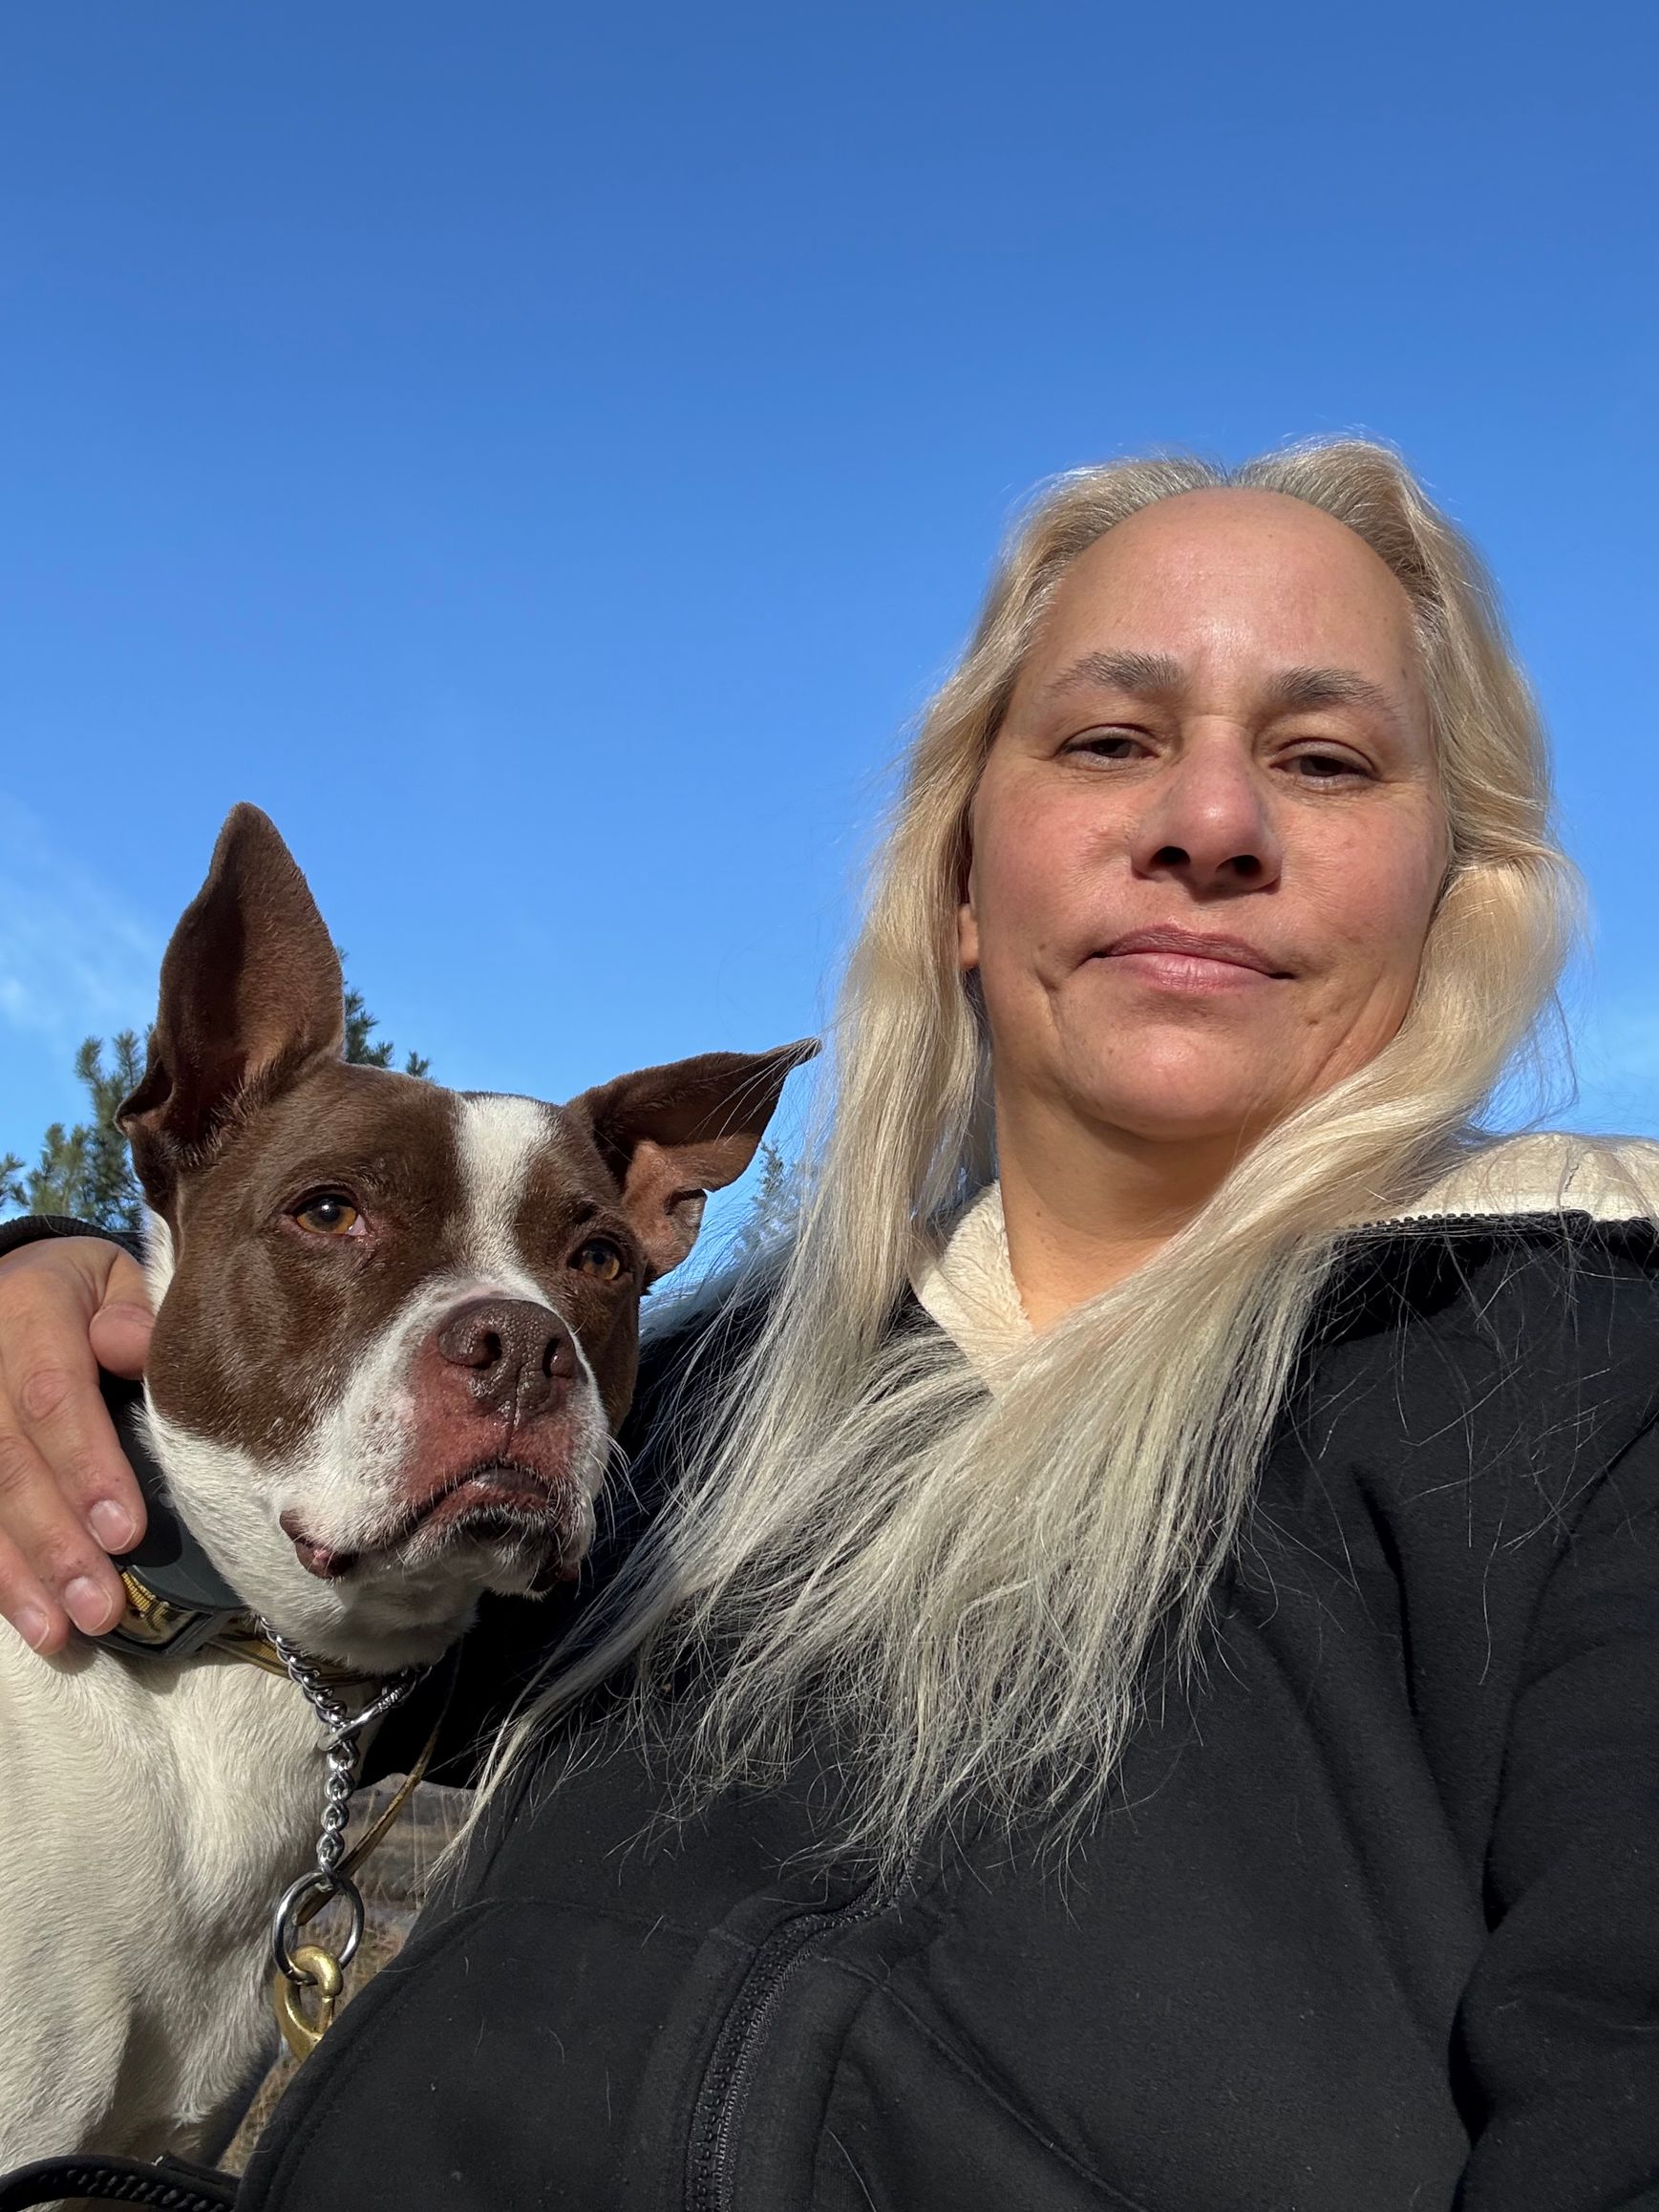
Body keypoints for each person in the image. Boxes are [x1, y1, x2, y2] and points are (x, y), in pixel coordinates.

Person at [2, 439, 1658, 2212]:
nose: (1208, 823)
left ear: (1452, 885)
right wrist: (45, 1266)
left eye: (1321, 760)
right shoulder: (703, 1408)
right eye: (1109, 739)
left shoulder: (1589, 1374)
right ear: (958, 880)